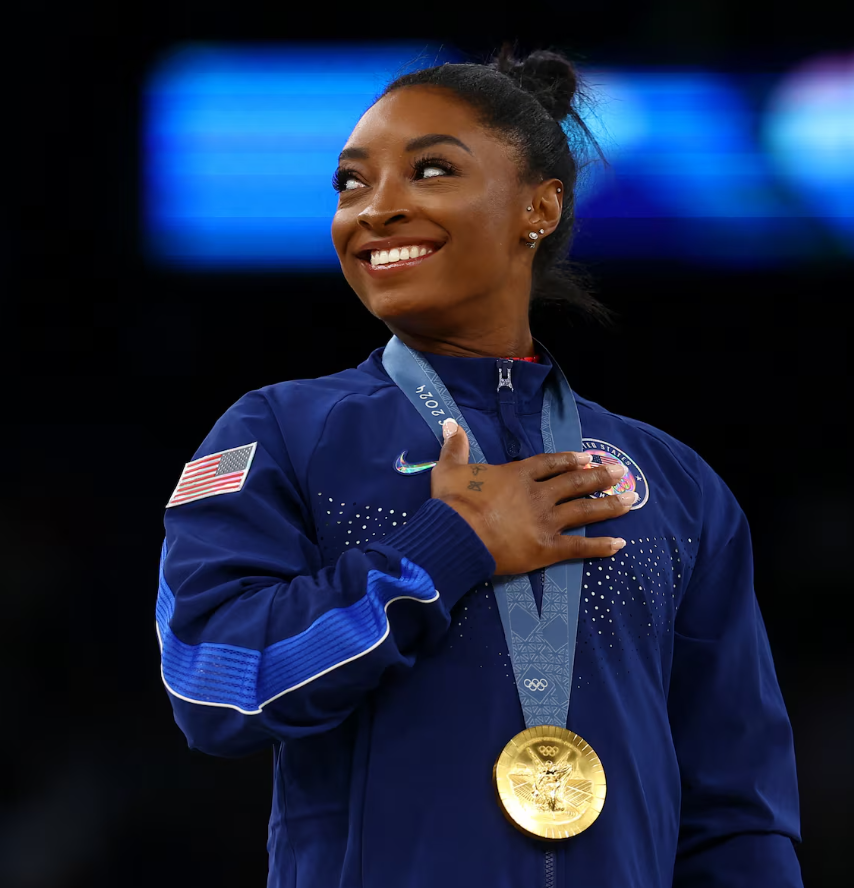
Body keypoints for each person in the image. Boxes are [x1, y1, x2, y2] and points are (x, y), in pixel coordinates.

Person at [155, 46, 803, 888]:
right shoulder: (283, 431)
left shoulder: (675, 485)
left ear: (539, 206)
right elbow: (212, 680)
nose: (376, 211)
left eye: (430, 171)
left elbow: (740, 812)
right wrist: (447, 545)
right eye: (351, 185)